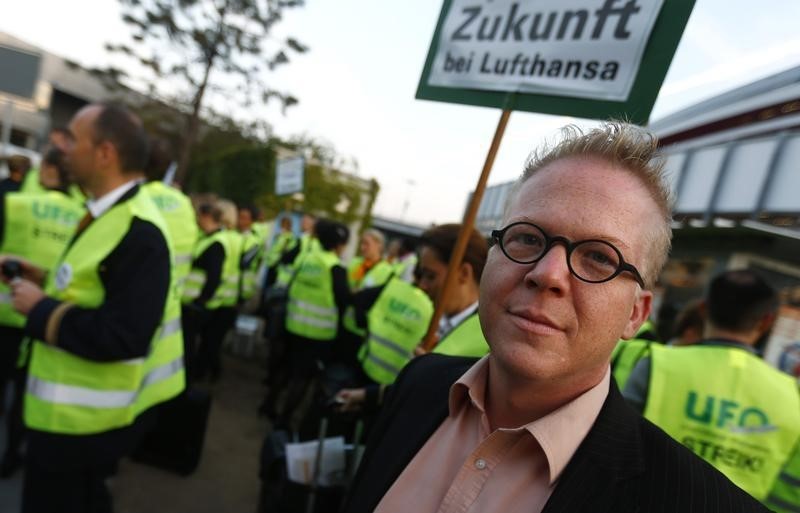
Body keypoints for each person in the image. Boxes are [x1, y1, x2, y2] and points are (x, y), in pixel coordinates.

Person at [343, 122, 767, 513]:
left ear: (636, 314)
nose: (547, 273)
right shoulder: (419, 384)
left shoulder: (699, 503)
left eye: (600, 257)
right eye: (527, 237)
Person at [1, 103, 184, 513]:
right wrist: (43, 279)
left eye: (73, 141)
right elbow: (97, 288)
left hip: (81, 426)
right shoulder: (109, 212)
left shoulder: (140, 230)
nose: (63, 149)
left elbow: (128, 333)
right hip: (70, 421)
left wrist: (41, 309)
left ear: (105, 154)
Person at [623, 269, 800, 506]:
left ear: (703, 309)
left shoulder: (657, 365)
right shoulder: (792, 395)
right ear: (767, 321)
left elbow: (612, 450)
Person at [0, 147, 85, 478]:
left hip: (5, 309)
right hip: (45, 317)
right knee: (25, 392)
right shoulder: (84, 216)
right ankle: (12, 455)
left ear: (49, 171)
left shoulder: (17, 204)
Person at [276, 219, 350, 429]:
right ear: (339, 244)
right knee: (303, 379)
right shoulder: (334, 267)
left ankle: (271, 406)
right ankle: (285, 420)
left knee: (288, 370)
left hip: (294, 325)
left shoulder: (308, 258)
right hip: (318, 335)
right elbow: (343, 301)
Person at [417, 223, 489, 357]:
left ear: (464, 273)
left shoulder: (490, 340)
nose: (423, 285)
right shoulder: (434, 320)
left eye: (431, 276)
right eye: (422, 275)